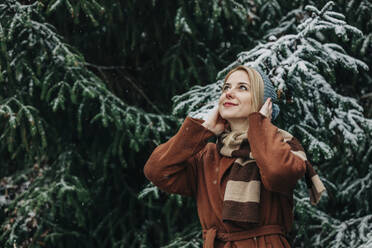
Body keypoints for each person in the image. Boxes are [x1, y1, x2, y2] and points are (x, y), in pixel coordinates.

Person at [144, 65, 325, 248]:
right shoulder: (208, 155)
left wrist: (260, 126)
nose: (229, 93)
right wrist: (200, 132)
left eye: (242, 88)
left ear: (264, 103)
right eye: (226, 88)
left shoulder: (283, 145)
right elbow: (157, 171)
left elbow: (277, 173)